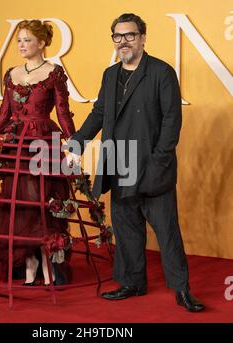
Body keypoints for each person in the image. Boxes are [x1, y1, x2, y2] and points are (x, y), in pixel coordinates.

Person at [67, 13, 205, 311]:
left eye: (129, 35)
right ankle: (132, 283)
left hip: (152, 167)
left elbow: (171, 123)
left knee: (167, 233)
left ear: (143, 37)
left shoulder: (161, 72)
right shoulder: (110, 74)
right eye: (118, 36)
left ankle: (181, 290)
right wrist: (76, 143)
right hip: (120, 164)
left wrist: (158, 163)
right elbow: (99, 114)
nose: (123, 42)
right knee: (127, 230)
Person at [0, 19, 76, 286]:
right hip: (16, 146)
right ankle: (27, 259)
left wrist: (73, 140)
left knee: (43, 199)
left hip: (43, 143)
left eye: (28, 40)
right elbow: (5, 110)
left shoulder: (54, 72)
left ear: (42, 43)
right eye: (19, 40)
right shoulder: (12, 73)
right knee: (18, 202)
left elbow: (62, 111)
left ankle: (48, 257)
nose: (22, 45)